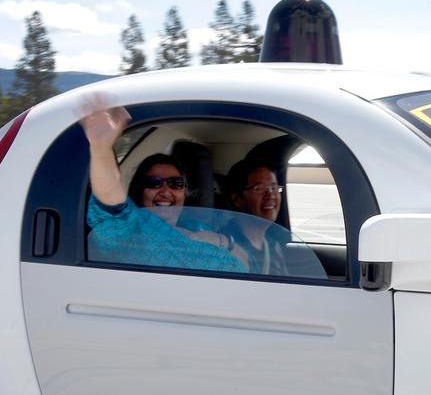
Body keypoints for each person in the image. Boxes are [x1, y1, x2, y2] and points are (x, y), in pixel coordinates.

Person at [81, 106, 245, 271]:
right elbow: (110, 204)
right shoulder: (131, 227)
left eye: (175, 183)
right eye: (154, 182)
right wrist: (101, 149)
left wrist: (225, 241)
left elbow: (245, 261)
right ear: (140, 190)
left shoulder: (195, 225)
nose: (166, 191)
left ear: (184, 191)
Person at [220, 159, 292, 276]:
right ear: (237, 199)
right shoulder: (226, 246)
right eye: (259, 189)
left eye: (274, 188)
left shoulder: (273, 245)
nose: (270, 196)